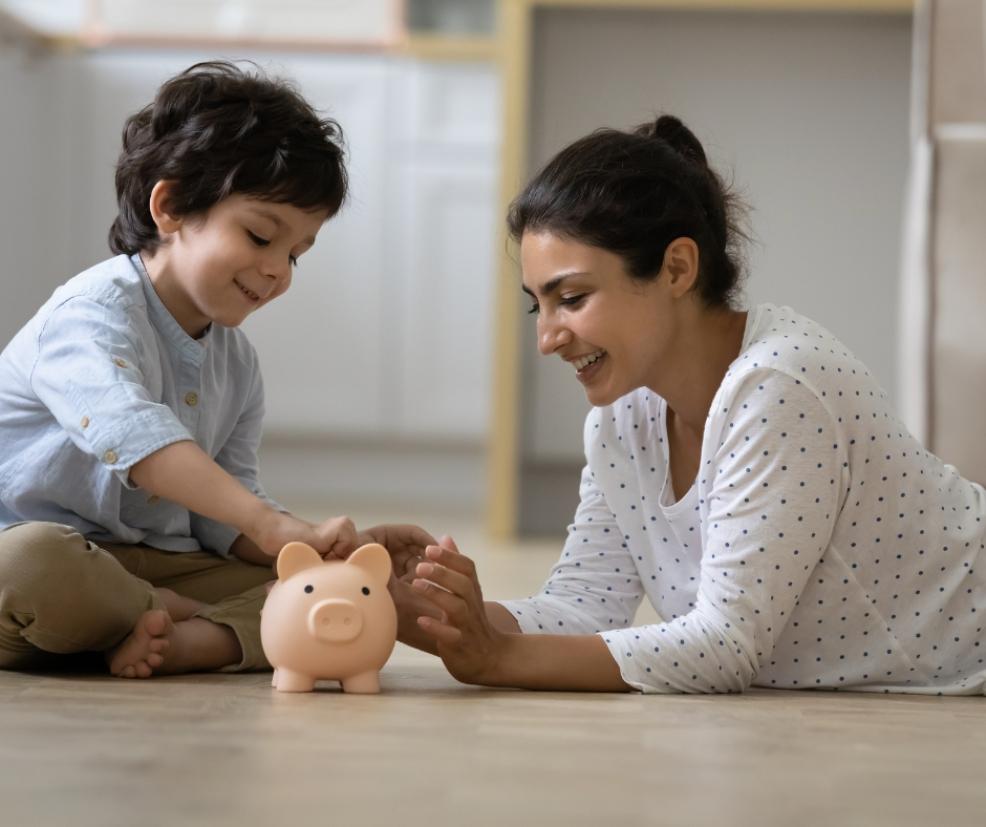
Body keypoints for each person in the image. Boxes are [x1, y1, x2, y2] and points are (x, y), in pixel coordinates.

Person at [392, 114, 986, 695]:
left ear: (677, 268)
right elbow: (578, 608)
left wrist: (501, 660)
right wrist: (386, 603)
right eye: (537, 306)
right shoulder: (622, 418)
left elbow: (723, 647)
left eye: (570, 297)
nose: (547, 338)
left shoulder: (780, 384)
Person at [0, 61, 433, 679]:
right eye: (261, 237)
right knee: (31, 563)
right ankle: (175, 618)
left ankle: (176, 641)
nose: (278, 270)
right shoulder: (87, 317)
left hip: (160, 561)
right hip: (42, 565)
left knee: (346, 594)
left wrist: (317, 547)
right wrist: (266, 522)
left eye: (296, 255)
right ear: (171, 206)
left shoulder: (236, 361)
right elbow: (132, 435)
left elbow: (222, 513)